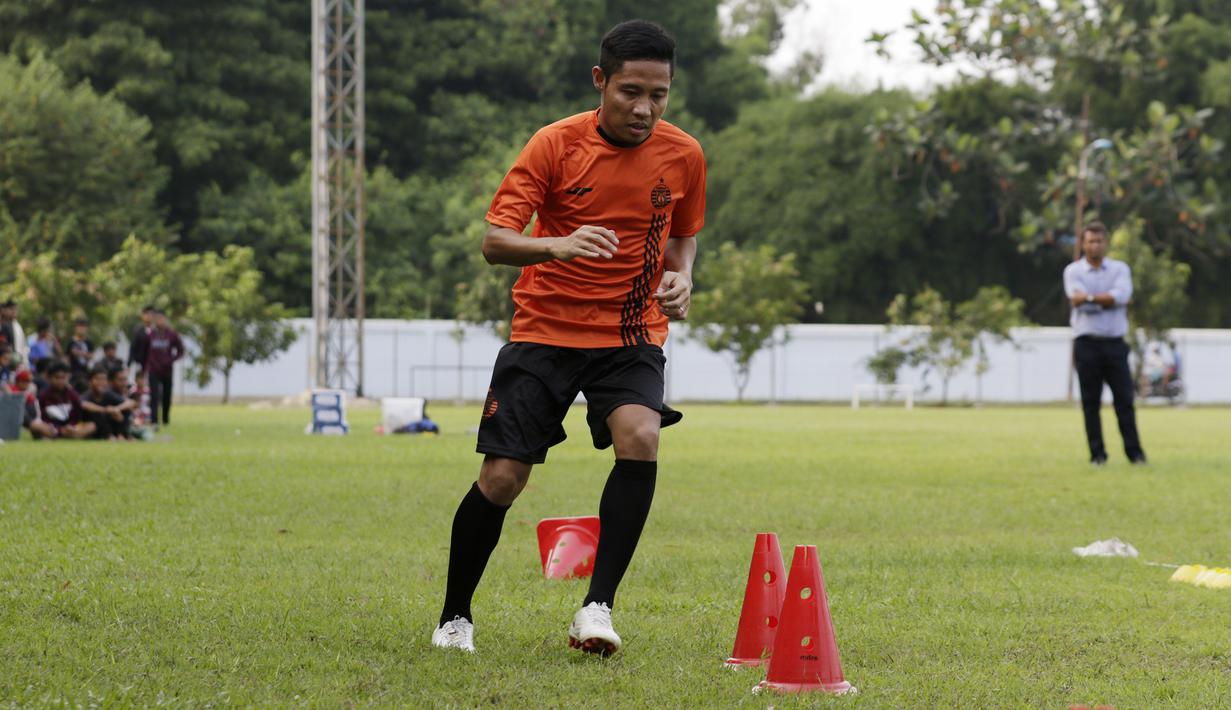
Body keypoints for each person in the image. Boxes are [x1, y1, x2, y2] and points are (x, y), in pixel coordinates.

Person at [432, 20, 704, 656]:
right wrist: (559, 244)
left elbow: (684, 232)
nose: (644, 108)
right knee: (502, 478)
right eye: (630, 91)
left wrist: (682, 276)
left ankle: (597, 608)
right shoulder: (554, 145)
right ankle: (454, 618)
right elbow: (495, 240)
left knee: (640, 437)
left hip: (631, 332)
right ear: (600, 81)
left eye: (658, 95)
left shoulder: (684, 153)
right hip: (545, 332)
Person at [1064, 222, 1147, 465]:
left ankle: (1135, 454)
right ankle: (1097, 455)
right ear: (1083, 244)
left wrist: (1089, 298)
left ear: (1106, 243)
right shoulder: (1073, 271)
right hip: (1086, 344)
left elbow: (1120, 297)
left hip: (1114, 344)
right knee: (1090, 403)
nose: (1095, 245)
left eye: (1099, 241)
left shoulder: (1120, 269)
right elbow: (1076, 300)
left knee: (1124, 401)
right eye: (1090, 241)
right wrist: (1105, 299)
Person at [36, 360, 95, 439]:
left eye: (63, 377)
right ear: (49, 378)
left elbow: (77, 416)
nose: (60, 381)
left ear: (68, 377)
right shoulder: (43, 395)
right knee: (36, 426)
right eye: (57, 377)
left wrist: (70, 426)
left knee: (91, 426)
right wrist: (59, 429)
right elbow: (42, 418)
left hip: (71, 428)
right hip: (52, 429)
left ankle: (66, 436)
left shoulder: (72, 394)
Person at [145, 309, 184, 427]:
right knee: (154, 396)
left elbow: (180, 350)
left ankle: (165, 420)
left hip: (167, 370)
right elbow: (145, 351)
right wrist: (146, 365)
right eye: (157, 319)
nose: (159, 321)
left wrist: (171, 360)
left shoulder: (172, 334)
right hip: (153, 370)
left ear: (165, 319)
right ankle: (154, 421)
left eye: (162, 318)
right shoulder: (150, 334)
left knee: (167, 396)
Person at [7, 369, 56, 439]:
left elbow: (35, 409)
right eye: (25, 382)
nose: (27, 384)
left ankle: (40, 429)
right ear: (19, 381)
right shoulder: (11, 390)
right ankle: (38, 427)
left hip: (31, 419)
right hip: (15, 419)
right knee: (21, 409)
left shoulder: (28, 393)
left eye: (28, 382)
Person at [67, 318, 95, 392]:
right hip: (73, 372)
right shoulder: (71, 342)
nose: (81, 329)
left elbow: (91, 356)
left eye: (83, 327)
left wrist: (79, 353)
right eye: (79, 327)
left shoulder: (89, 342)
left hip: (85, 372)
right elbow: (67, 358)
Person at [127, 305, 155, 374]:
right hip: (140, 363)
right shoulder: (138, 330)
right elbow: (133, 347)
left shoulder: (157, 331)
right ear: (143, 316)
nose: (149, 316)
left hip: (154, 365)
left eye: (151, 314)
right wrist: (129, 364)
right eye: (147, 314)